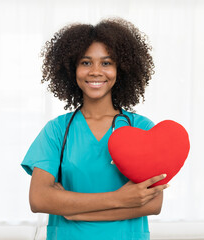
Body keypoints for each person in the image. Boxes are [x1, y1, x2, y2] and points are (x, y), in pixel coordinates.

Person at [21, 18, 169, 240]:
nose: (96, 71)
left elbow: (153, 204)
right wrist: (120, 198)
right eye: (86, 62)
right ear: (73, 69)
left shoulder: (141, 128)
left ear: (121, 69)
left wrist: (74, 212)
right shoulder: (57, 130)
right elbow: (39, 199)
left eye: (107, 63)